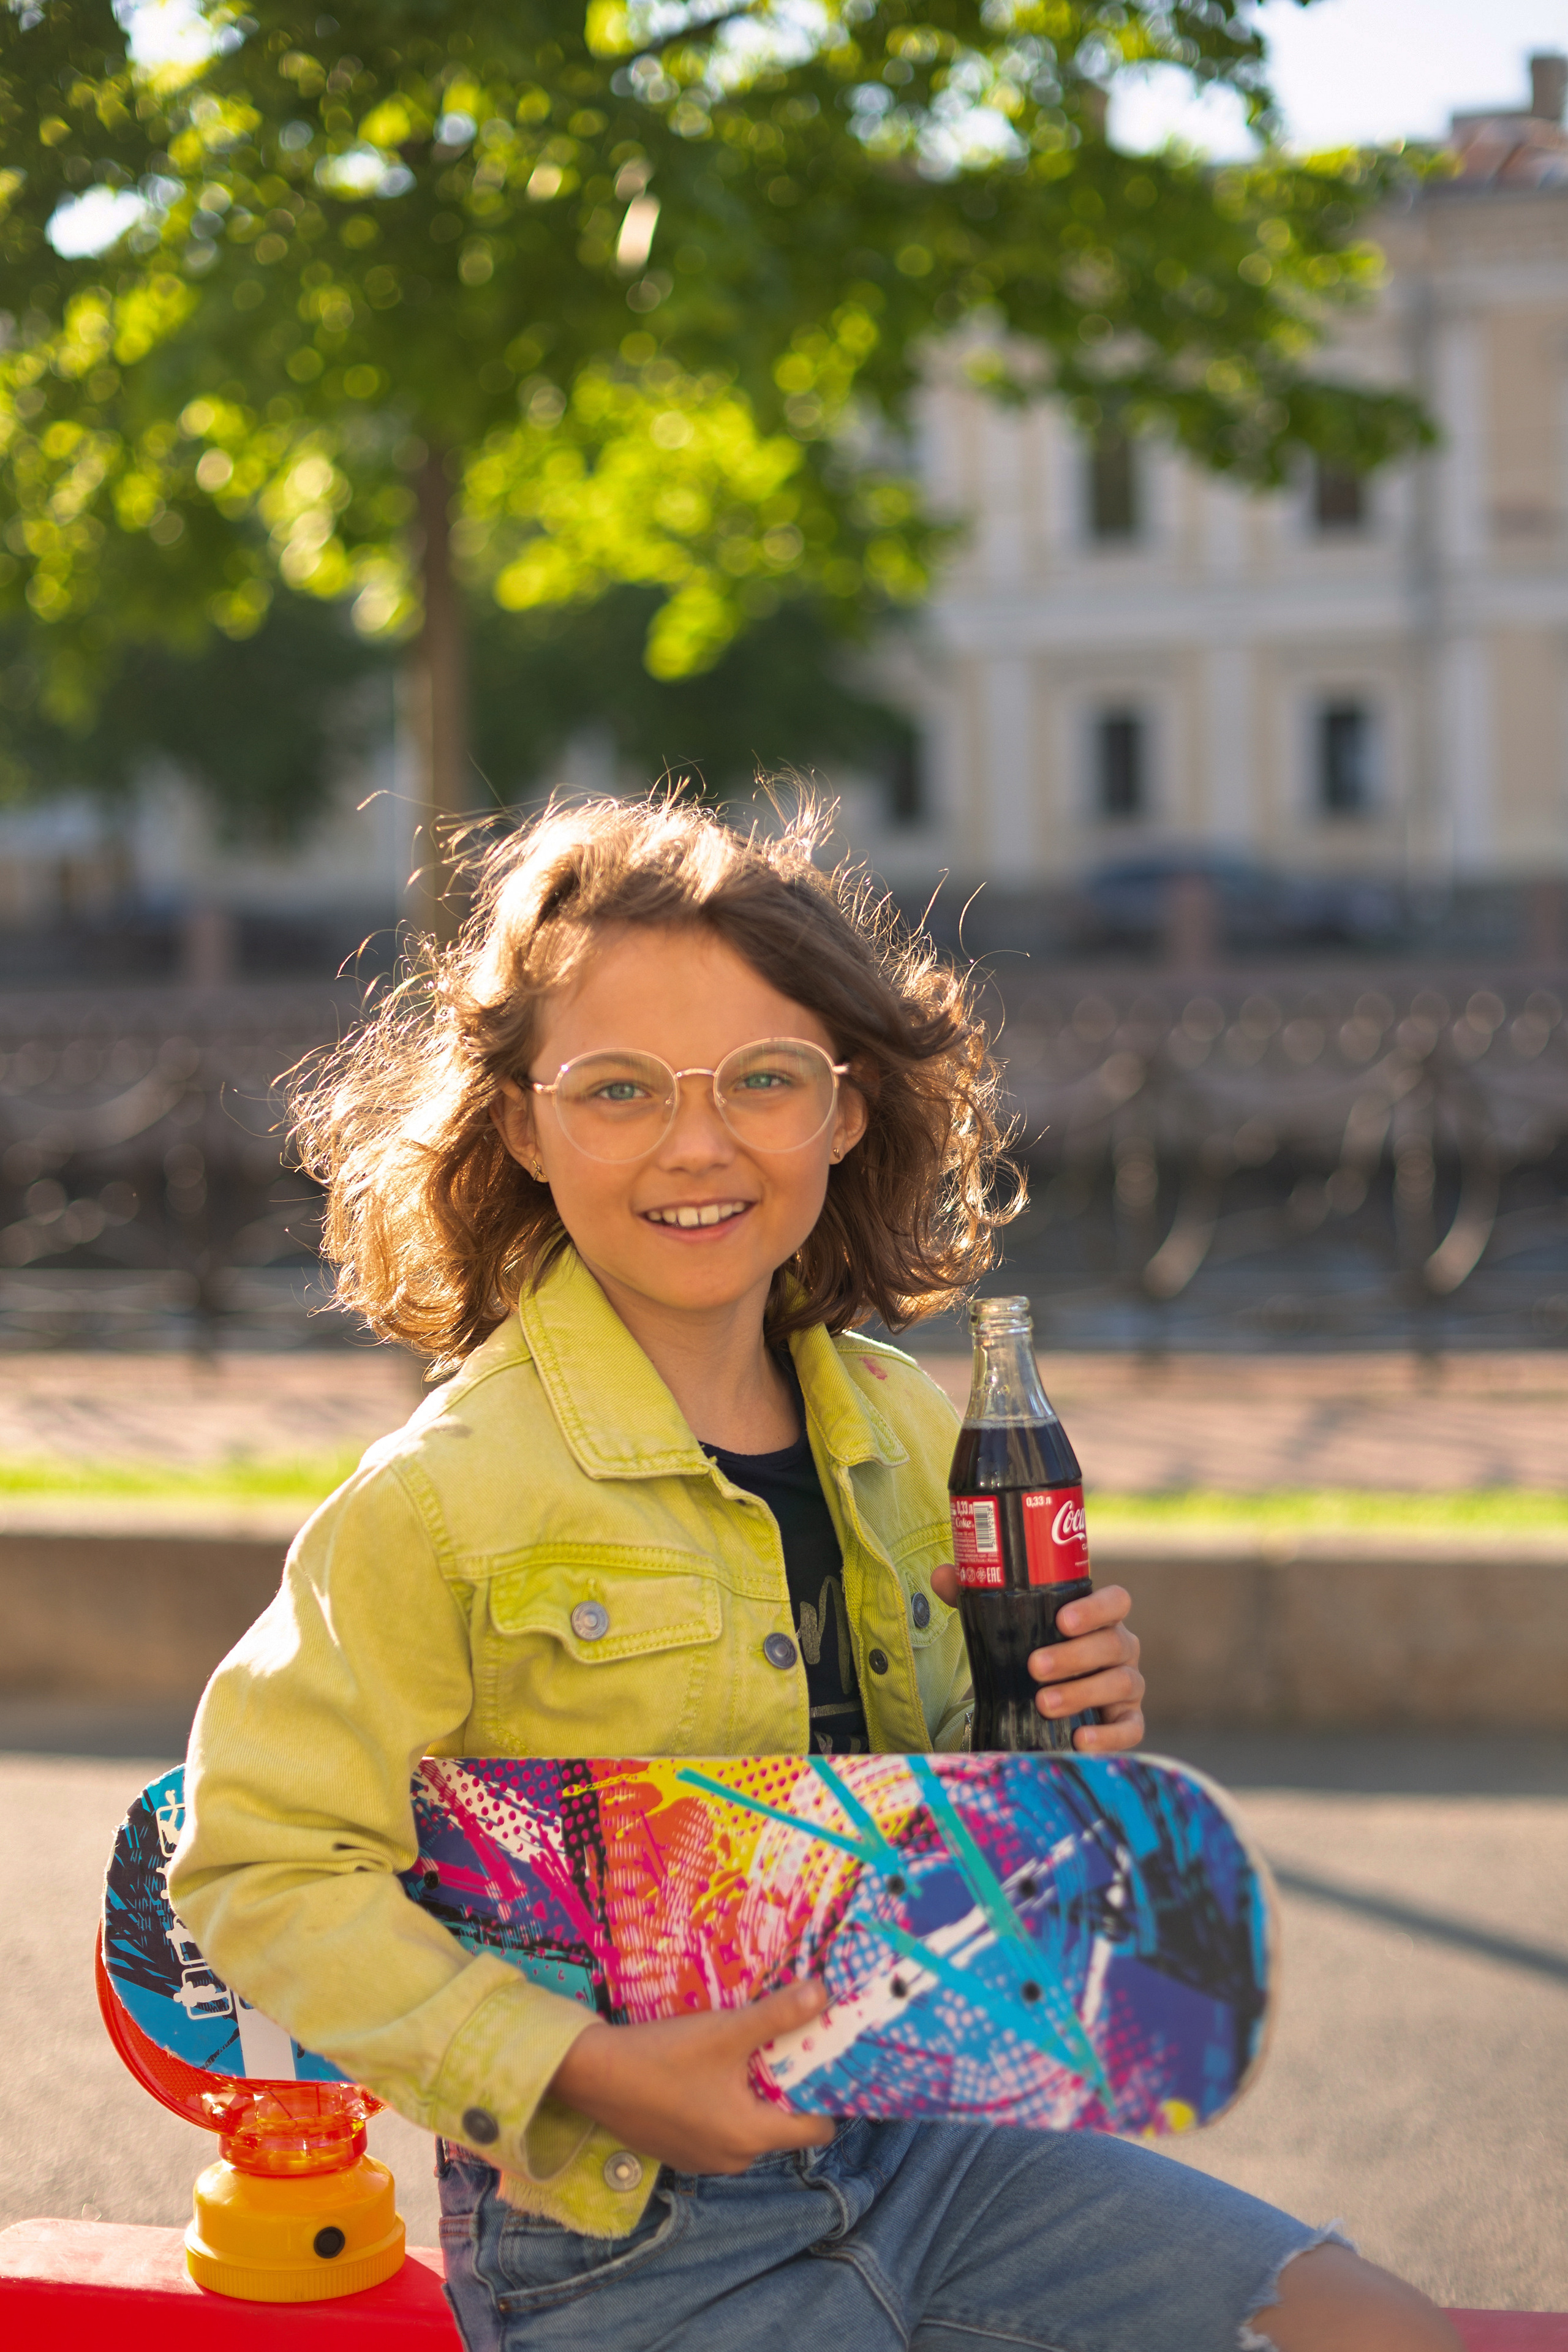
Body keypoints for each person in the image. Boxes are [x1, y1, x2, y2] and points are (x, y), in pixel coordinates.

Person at [169, 794, 1460, 2352]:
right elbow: (259, 1865)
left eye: (763, 1081)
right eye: (619, 1089)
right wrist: (578, 2067)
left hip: (936, 2146)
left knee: (1379, 2331)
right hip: (625, 2232)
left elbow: (918, 1821)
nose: (696, 1144)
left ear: (845, 1109)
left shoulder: (911, 1430)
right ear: (519, 1122)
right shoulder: (440, 1502)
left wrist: (1053, 1755)